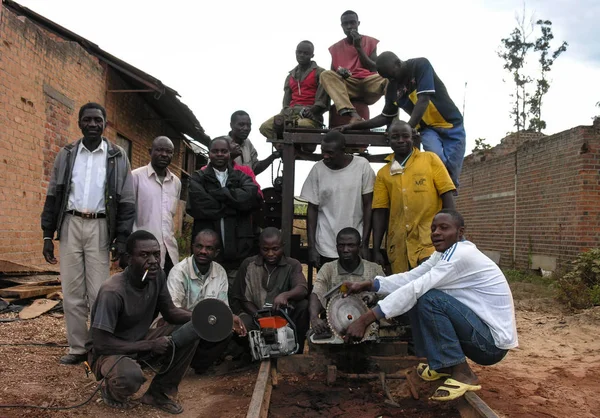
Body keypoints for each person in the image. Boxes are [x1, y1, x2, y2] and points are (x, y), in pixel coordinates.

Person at [341, 210, 518, 401]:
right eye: (433, 228)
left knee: (429, 298)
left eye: (444, 228)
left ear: (460, 232)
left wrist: (366, 319)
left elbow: (416, 288)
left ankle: (464, 374)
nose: (436, 232)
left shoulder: (460, 255)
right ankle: (441, 365)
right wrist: (370, 284)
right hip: (478, 332)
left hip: (491, 345)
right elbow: (412, 277)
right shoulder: (444, 254)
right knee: (423, 296)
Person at [90, 230, 244, 413]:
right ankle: (111, 391)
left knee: (194, 328)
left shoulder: (156, 276)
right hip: (109, 351)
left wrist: (213, 316)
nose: (153, 261)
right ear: (129, 258)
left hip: (140, 339)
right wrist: (149, 345)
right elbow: (101, 344)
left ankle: (158, 392)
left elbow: (171, 312)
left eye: (156, 254)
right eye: (144, 255)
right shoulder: (113, 292)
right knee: (130, 377)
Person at [41, 102, 135, 365]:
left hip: (100, 227)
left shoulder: (117, 156)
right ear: (79, 122)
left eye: (98, 120)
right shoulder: (67, 154)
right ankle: (78, 348)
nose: (93, 124)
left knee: (99, 292)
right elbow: (53, 194)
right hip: (70, 224)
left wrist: (122, 238)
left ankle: (100, 345)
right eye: (87, 120)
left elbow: (127, 201)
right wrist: (47, 235)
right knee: (71, 292)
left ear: (105, 124)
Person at [339, 51, 466, 188]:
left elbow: (423, 99)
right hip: (427, 129)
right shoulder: (392, 88)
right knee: (437, 164)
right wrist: (354, 126)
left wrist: (408, 128)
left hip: (451, 125)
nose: (391, 81)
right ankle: (440, 204)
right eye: (387, 78)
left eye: (391, 76)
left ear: (398, 63)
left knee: (452, 172)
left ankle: (449, 206)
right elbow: (384, 117)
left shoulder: (420, 65)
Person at [372, 120, 456, 274]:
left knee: (429, 289)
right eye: (395, 137)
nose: (401, 140)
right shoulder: (383, 173)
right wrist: (376, 248)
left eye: (405, 136)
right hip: (399, 246)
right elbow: (380, 211)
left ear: (413, 137)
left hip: (429, 242)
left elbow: (447, 194)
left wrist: (452, 234)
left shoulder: (430, 159)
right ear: (388, 139)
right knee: (404, 292)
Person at [167, 229, 247, 374]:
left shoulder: (220, 272)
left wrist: (231, 317)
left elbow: (222, 306)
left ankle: (200, 366)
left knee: (227, 329)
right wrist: (201, 318)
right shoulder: (179, 272)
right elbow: (173, 310)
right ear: (193, 247)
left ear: (216, 252)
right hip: (179, 326)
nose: (203, 251)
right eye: (199, 246)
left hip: (207, 324)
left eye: (209, 248)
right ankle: (172, 361)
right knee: (193, 328)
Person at [186, 137, 262, 285]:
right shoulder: (198, 178)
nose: (219, 154)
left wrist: (220, 194)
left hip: (237, 254)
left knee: (234, 296)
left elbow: (251, 198)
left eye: (223, 151)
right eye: (215, 151)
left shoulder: (243, 177)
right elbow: (198, 207)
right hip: (206, 256)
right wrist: (235, 206)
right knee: (205, 297)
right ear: (209, 154)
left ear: (229, 153)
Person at [300, 130, 375, 269]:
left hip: (354, 245)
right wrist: (312, 247)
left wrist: (364, 243)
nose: (325, 156)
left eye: (330, 152)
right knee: (328, 287)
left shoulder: (362, 166)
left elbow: (368, 205)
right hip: (326, 245)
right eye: (323, 151)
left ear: (343, 150)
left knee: (355, 287)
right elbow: (312, 209)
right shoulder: (318, 169)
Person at [232, 227, 310, 351]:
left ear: (282, 246)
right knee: (240, 325)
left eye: (275, 249)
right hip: (255, 316)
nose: (270, 254)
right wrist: (259, 316)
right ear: (259, 247)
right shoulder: (248, 264)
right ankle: (250, 354)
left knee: (304, 306)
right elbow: (242, 298)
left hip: (284, 317)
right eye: (265, 249)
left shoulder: (292, 264)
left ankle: (296, 350)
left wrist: (285, 295)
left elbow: (302, 288)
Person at [309, 227, 384, 336]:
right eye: (341, 245)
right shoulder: (328, 269)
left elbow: (387, 298)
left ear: (359, 247)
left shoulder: (374, 269)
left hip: (370, 326)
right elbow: (317, 293)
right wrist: (314, 317)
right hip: (336, 325)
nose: (345, 250)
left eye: (351, 245)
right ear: (336, 247)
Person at [319, 10, 388, 123]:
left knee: (389, 76)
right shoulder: (335, 48)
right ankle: (352, 113)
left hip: (369, 85)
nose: (349, 26)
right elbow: (332, 76)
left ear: (358, 23)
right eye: (345, 24)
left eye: (352, 23)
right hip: (348, 86)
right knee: (325, 74)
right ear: (341, 26)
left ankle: (391, 116)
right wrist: (340, 73)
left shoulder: (370, 41)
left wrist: (359, 47)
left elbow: (374, 68)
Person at [132, 136, 181, 276]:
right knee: (143, 290)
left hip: (169, 250)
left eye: (169, 151)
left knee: (165, 291)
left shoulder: (176, 182)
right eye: (159, 150)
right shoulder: (136, 177)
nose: (164, 154)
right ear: (150, 151)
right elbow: (127, 212)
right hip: (143, 252)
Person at [259, 41, 329, 139]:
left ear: (312, 55)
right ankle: (282, 146)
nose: (302, 55)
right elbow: (286, 101)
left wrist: (312, 110)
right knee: (265, 127)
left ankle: (292, 147)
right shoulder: (290, 76)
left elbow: (322, 100)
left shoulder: (320, 73)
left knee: (301, 125)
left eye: (306, 53)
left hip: (309, 115)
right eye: (299, 52)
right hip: (290, 114)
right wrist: (286, 111)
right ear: (295, 52)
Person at [227, 110, 279, 175]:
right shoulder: (222, 144)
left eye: (248, 125)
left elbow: (255, 169)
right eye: (241, 125)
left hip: (248, 184)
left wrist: (273, 156)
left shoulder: (247, 143)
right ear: (231, 125)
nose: (246, 128)